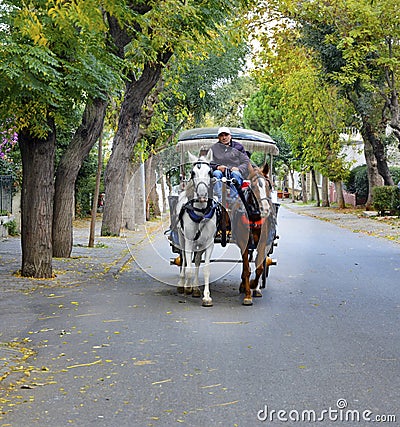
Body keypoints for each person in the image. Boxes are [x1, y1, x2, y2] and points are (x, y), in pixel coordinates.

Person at [210, 127, 250, 202]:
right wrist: (217, 167)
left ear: (230, 136)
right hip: (220, 175)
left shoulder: (238, 147)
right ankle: (219, 200)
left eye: (226, 135)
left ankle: (234, 201)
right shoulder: (213, 148)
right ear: (218, 137)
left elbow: (246, 161)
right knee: (216, 173)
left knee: (235, 174)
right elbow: (209, 163)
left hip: (235, 173)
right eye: (221, 135)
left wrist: (238, 168)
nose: (224, 137)